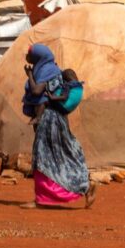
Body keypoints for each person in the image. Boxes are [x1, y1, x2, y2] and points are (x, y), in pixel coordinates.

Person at [21, 45, 96, 209]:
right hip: (52, 118)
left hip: (50, 118)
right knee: (52, 156)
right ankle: (44, 197)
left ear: (39, 56)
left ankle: (83, 187)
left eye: (30, 55)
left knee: (44, 156)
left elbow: (36, 91)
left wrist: (29, 75)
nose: (28, 58)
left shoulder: (47, 70)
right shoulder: (48, 69)